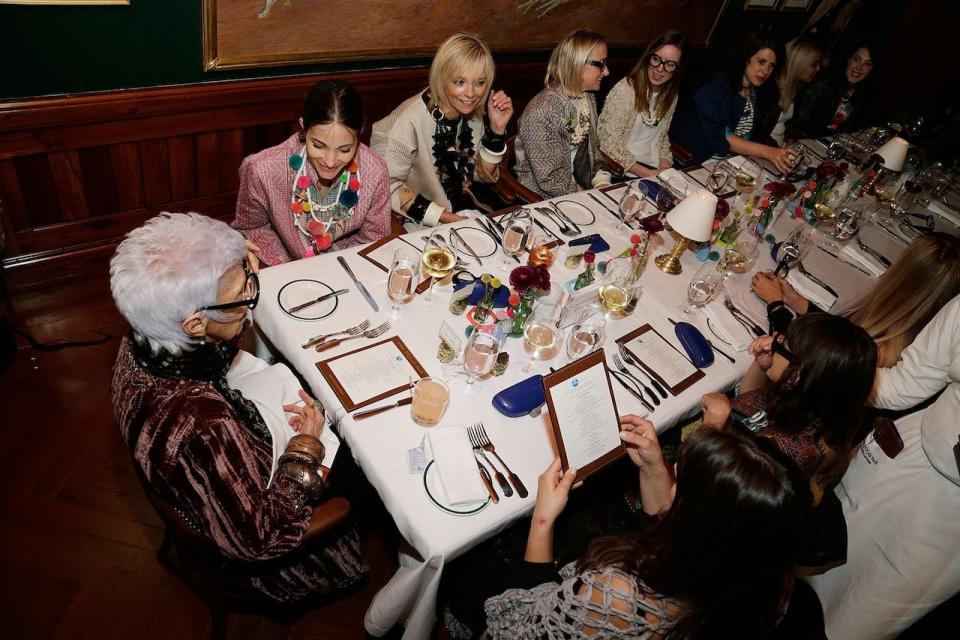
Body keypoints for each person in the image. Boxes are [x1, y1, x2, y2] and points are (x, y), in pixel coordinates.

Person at [111, 212, 366, 603]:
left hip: (212, 445)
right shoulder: (203, 426)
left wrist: (230, 262)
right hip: (258, 552)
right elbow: (258, 540)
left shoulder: (142, 340)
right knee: (361, 460)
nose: (250, 301)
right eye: (243, 294)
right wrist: (305, 445)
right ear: (195, 325)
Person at [483, 425, 812, 638]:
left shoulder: (620, 596)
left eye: (684, 477)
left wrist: (543, 521)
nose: (677, 466)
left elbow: (510, 626)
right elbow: (664, 530)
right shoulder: (758, 588)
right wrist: (655, 468)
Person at [806, 294, 960, 638]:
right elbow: (909, 380)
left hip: (949, 522)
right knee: (808, 548)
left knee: (855, 614)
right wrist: (834, 370)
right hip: (905, 457)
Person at [701, 314, 877, 507]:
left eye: (782, 346)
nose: (771, 344)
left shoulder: (788, 454)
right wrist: (762, 365)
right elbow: (750, 400)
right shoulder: (812, 405)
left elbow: (704, 486)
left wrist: (711, 428)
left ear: (798, 375)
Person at [232, 80, 391, 265]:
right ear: (303, 127)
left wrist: (334, 267)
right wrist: (285, 264)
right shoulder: (262, 170)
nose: (330, 162)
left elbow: (375, 239)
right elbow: (253, 228)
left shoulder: (375, 170)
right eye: (318, 146)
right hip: (286, 268)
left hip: (347, 268)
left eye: (345, 149)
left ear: (360, 134)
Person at [752, 232, 960, 366]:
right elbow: (837, 334)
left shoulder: (885, 352)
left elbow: (808, 355)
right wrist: (797, 301)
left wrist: (776, 304)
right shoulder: (900, 323)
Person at [371, 32, 513, 227]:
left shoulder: (471, 114)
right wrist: (449, 219)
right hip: (420, 224)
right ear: (442, 77)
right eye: (459, 82)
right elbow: (386, 188)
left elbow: (478, 175)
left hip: (468, 211)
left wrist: (497, 130)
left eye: (480, 82)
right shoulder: (403, 124)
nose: (471, 93)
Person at [669, 30, 794, 172]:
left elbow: (753, 134)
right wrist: (768, 152)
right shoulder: (715, 86)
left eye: (771, 65)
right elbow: (723, 136)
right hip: (701, 162)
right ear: (745, 58)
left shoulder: (758, 91)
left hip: (735, 163)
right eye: (761, 62)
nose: (765, 71)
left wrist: (777, 151)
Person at [513, 29, 613, 198]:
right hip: (541, 199)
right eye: (601, 64)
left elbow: (593, 149)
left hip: (577, 187)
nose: (606, 71)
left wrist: (602, 182)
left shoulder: (587, 97)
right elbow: (550, 181)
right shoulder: (542, 112)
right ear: (578, 64)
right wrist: (589, 196)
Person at [598, 29, 686, 178]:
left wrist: (665, 165)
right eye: (656, 59)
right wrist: (649, 174)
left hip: (655, 168)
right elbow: (608, 145)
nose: (660, 69)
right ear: (648, 57)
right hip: (624, 171)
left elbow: (662, 137)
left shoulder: (671, 95)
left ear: (677, 69)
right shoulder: (626, 91)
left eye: (670, 64)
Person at [790, 40, 875, 138]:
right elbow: (797, 124)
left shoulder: (859, 95)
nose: (859, 67)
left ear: (872, 69)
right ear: (848, 60)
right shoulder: (823, 85)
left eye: (867, 64)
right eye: (856, 59)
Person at [771, 39, 824, 145]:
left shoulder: (796, 88)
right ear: (799, 63)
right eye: (814, 64)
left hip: (778, 147)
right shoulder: (771, 88)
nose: (818, 68)